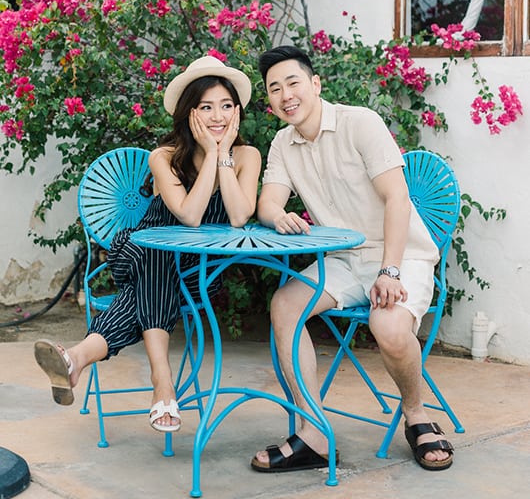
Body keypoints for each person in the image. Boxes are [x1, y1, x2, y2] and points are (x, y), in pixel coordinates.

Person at [250, 45, 454, 474]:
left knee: (388, 324)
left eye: (293, 83)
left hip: (402, 256)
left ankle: (416, 414)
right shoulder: (283, 143)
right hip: (342, 261)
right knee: (284, 307)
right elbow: (267, 202)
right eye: (275, 89)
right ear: (268, 99)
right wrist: (278, 214)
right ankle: (314, 433)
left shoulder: (360, 123)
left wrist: (390, 270)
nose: (286, 95)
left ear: (315, 84)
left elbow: (397, 197)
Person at [35, 55, 261, 433]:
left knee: (153, 284)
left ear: (237, 112)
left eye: (226, 106)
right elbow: (189, 214)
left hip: (200, 272)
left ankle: (75, 359)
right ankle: (163, 383)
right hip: (137, 253)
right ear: (190, 113)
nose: (218, 117)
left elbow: (239, 216)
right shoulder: (164, 158)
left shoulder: (246, 156)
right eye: (206, 107)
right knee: (158, 253)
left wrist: (221, 155)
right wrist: (209, 158)